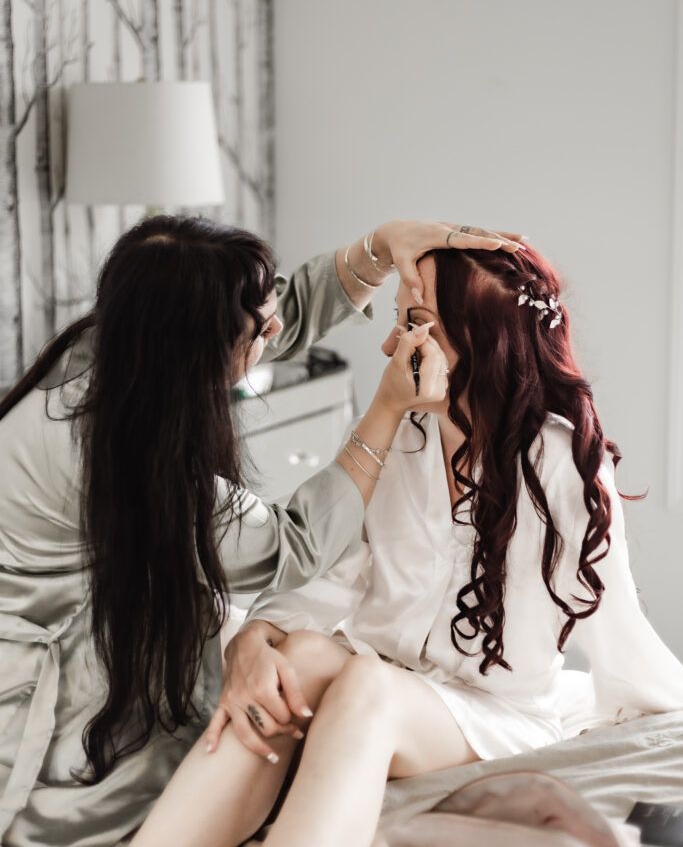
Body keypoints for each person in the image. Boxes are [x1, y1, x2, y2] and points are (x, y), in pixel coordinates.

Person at [132, 243, 683, 847]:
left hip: (488, 715)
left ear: (480, 343)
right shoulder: (398, 435)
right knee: (304, 660)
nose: (391, 346)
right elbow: (331, 571)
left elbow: (614, 618)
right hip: (375, 667)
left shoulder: (562, 464)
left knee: (369, 686)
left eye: (414, 325)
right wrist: (260, 637)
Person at [0, 214, 519, 846]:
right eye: (254, 329)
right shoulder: (120, 445)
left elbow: (278, 315)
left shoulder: (128, 342)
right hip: (59, 669)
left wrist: (382, 246)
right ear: (197, 345)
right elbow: (292, 547)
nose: (273, 331)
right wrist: (385, 412)